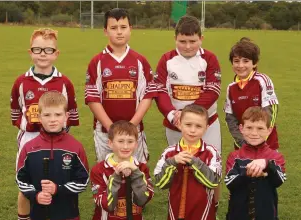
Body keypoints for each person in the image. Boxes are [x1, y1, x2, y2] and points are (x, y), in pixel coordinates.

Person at [9, 28, 80, 220]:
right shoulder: (21, 82)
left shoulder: (64, 83)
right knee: (27, 186)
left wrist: (60, 136)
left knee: (57, 183)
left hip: (58, 141)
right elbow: (15, 113)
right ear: (30, 52)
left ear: (56, 53)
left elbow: (72, 115)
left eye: (48, 50)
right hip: (30, 139)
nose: (42, 54)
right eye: (38, 49)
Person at [15, 91, 89, 220]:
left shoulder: (75, 147)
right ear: (39, 117)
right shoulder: (29, 147)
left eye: (58, 114)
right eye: (47, 115)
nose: (53, 119)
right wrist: (36, 195)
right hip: (39, 216)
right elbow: (21, 179)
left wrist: (59, 189)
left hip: (67, 215)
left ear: (66, 117)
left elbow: (83, 181)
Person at [85, 8, 156, 164]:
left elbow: (147, 96)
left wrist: (131, 126)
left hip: (134, 132)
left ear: (130, 29)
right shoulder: (97, 62)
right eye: (113, 28)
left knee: (137, 175)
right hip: (105, 133)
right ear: (105, 31)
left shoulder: (140, 61)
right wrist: (111, 128)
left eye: (123, 27)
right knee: (107, 176)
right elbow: (92, 99)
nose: (119, 32)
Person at [154, 104, 221, 220]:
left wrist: (195, 162)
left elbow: (213, 181)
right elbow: (160, 182)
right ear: (179, 125)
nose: (192, 130)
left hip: (204, 217)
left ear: (206, 128)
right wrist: (172, 162)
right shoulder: (169, 153)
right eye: (188, 125)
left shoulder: (211, 152)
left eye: (198, 126)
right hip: (177, 216)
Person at [218, 106, 286, 220]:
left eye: (260, 128)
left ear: (269, 130)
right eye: (249, 127)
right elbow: (230, 183)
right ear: (241, 128)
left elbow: (279, 180)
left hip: (265, 219)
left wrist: (267, 164)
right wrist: (245, 174)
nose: (254, 133)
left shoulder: (275, 157)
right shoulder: (235, 157)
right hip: (238, 218)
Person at [90, 120, 158, 220]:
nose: (125, 146)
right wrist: (115, 177)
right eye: (120, 141)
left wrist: (135, 174)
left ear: (136, 143)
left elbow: (143, 200)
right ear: (110, 143)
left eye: (130, 141)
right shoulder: (98, 170)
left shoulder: (142, 168)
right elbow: (107, 205)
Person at [155, 15, 222, 154]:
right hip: (176, 124)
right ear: (175, 39)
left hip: (207, 123)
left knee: (209, 166)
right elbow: (159, 91)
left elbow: (212, 91)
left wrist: (186, 114)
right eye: (182, 41)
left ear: (201, 39)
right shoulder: (166, 59)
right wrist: (172, 115)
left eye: (193, 41)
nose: (187, 46)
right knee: (179, 167)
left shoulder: (209, 58)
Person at [224, 37, 279, 150]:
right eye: (236, 61)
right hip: (242, 146)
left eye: (246, 61)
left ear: (254, 63)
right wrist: (241, 141)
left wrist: (260, 138)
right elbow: (230, 118)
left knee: (266, 168)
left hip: (266, 144)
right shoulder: (231, 88)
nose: (240, 65)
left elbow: (271, 111)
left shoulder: (262, 80)